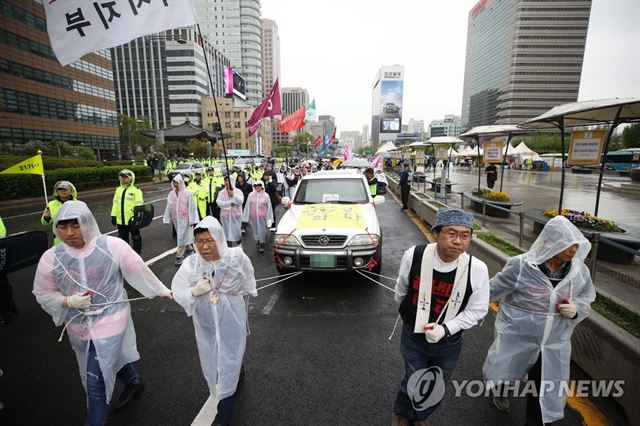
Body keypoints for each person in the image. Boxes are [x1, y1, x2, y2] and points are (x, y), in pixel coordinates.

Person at [33, 201, 172, 425]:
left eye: (75, 225)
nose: (70, 233)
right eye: (63, 226)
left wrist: (162, 290)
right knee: (109, 357)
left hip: (111, 318)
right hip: (78, 324)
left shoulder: (111, 246)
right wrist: (67, 301)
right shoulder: (52, 258)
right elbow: (42, 292)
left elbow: (137, 270)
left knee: (95, 381)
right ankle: (133, 380)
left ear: (87, 223)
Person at [483, 215, 595, 425]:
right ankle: (500, 390)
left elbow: (586, 296)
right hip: (518, 334)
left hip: (554, 341)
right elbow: (491, 290)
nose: (573, 249)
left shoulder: (579, 271)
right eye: (568, 244)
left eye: (576, 245)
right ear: (551, 241)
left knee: (543, 386)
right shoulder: (521, 266)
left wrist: (577, 309)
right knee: (506, 369)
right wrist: (462, 313)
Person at [393, 207, 490, 425]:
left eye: (465, 236)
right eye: (451, 233)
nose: (458, 241)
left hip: (449, 341)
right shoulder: (415, 255)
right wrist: (410, 316)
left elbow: (478, 309)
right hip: (414, 335)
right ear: (436, 233)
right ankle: (401, 412)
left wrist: (446, 329)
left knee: (436, 383)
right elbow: (402, 289)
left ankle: (420, 417)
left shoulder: (477, 269)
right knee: (414, 378)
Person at [172, 217, 257, 425]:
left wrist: (247, 289)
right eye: (199, 242)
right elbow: (178, 289)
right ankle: (239, 369)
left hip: (231, 318)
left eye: (209, 240)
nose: (204, 246)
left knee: (227, 362)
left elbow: (248, 277)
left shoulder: (236, 257)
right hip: (206, 323)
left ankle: (223, 418)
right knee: (217, 357)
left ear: (219, 239)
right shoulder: (191, 264)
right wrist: (193, 291)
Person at [163, 174, 199, 266]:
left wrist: (193, 220)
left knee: (181, 236)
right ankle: (189, 249)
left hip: (186, 219)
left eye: (177, 182)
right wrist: (166, 219)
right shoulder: (171, 194)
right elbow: (168, 207)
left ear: (181, 182)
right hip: (176, 219)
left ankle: (179, 256)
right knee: (183, 235)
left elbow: (192, 207)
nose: (175, 184)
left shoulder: (188, 193)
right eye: (174, 182)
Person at [110, 169, 144, 254]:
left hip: (132, 220)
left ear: (131, 178)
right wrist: (113, 216)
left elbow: (139, 206)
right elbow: (115, 204)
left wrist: (137, 219)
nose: (123, 179)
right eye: (122, 177)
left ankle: (137, 256)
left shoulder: (136, 190)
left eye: (125, 178)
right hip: (121, 221)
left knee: (136, 238)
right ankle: (126, 256)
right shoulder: (118, 190)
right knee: (123, 241)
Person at [41, 181, 78, 245]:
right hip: (59, 240)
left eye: (65, 189)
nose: (63, 191)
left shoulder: (78, 204)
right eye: (60, 189)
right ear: (56, 191)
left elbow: (87, 221)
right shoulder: (51, 204)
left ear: (71, 190)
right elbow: (44, 223)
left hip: (76, 236)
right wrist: (46, 217)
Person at [242, 180, 274, 253]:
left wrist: (269, 219)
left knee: (262, 230)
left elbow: (269, 207)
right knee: (255, 229)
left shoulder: (266, 195)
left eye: (259, 186)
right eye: (256, 186)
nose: (257, 188)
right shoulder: (251, 195)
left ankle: (262, 243)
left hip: (262, 217)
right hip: (253, 216)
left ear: (262, 186)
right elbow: (247, 206)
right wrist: (246, 216)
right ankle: (258, 239)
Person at [216, 176, 244, 247]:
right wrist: (229, 203)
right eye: (225, 181)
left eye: (228, 181)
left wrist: (233, 195)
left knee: (236, 233)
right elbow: (219, 202)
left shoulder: (238, 191)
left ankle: (239, 248)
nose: (226, 183)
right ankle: (229, 249)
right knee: (227, 233)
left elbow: (240, 201)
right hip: (225, 217)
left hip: (235, 216)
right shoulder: (221, 192)